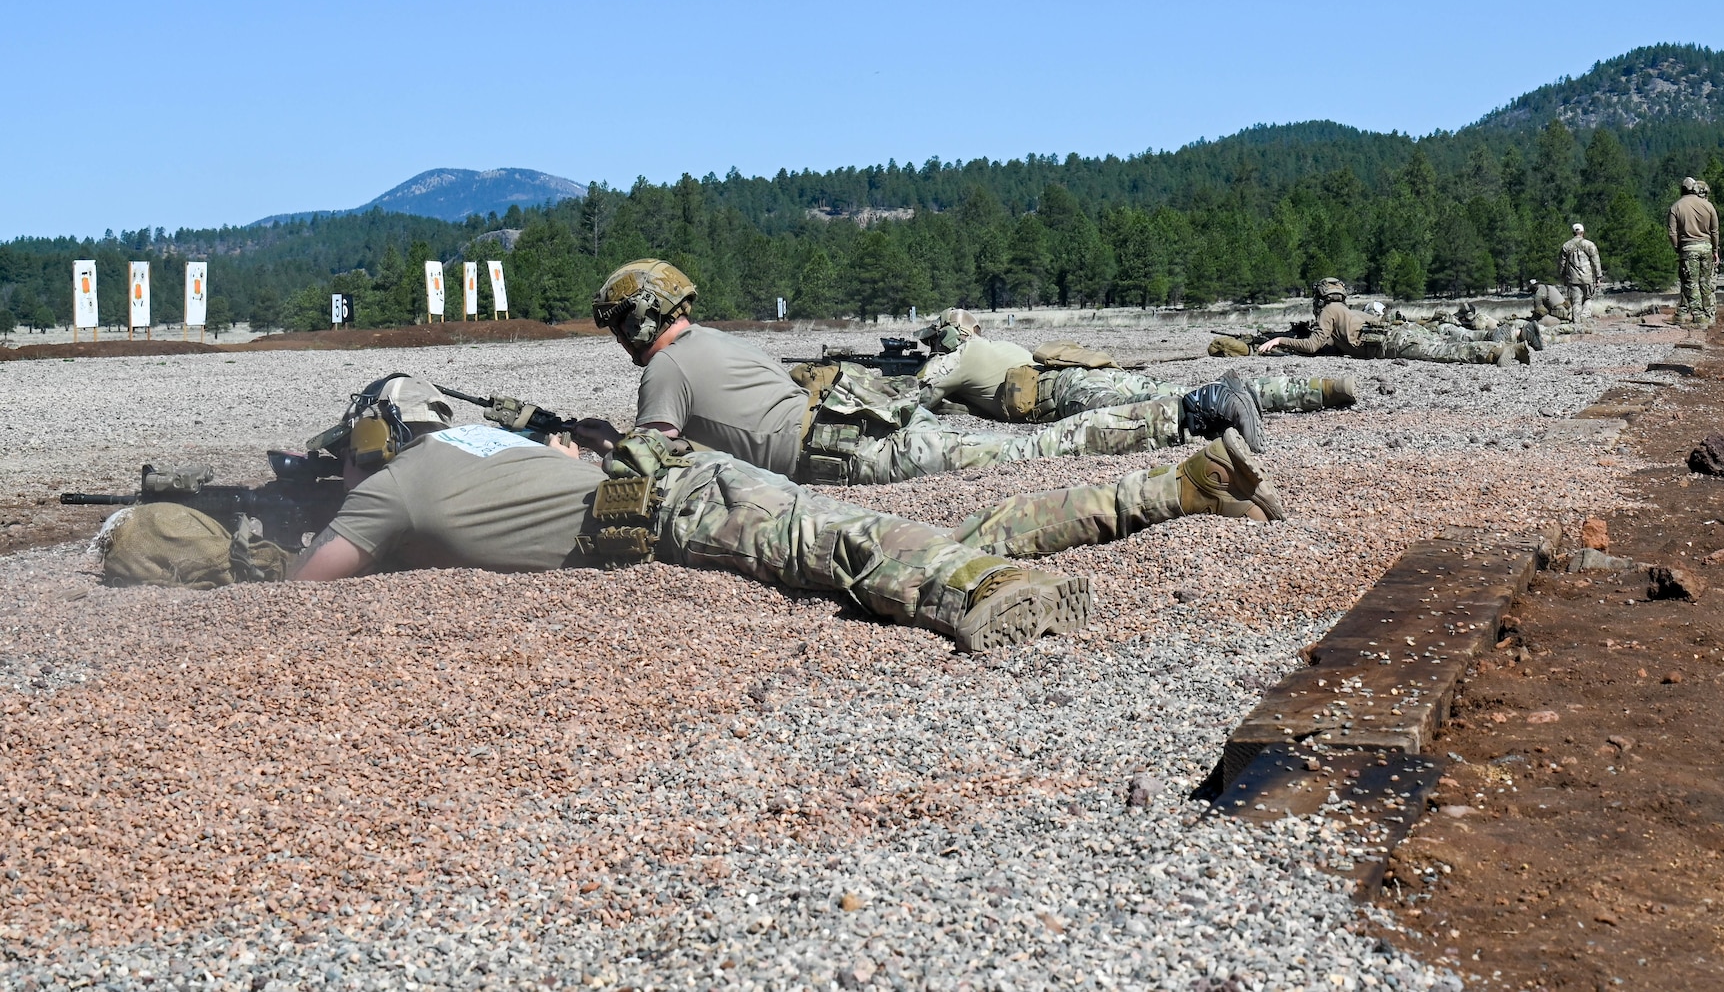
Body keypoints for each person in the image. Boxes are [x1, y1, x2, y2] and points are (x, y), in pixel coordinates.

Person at [281, 376, 1283, 654]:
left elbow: (307, 590)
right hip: (678, 475)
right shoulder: (482, 443)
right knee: (866, 527)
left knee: (838, 545)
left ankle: (982, 591)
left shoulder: (390, 485)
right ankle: (1169, 488)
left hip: (674, 503)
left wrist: (311, 539)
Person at [576, 261, 1236, 486]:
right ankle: (1189, 412)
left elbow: (651, 458)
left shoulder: (664, 367)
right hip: (861, 414)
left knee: (1029, 449)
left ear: (637, 319)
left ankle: (1191, 414)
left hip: (845, 446)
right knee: (1018, 446)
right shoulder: (717, 339)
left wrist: (595, 446)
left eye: (616, 324)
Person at [910, 309, 1356, 447]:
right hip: (1084, 373)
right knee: (1168, 390)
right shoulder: (998, 347)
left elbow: (919, 395)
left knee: (1130, 420)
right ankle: (1319, 391)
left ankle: (1213, 407)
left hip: (1065, 391)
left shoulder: (959, 357)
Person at [1254, 279, 1529, 366]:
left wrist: (1281, 341)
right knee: (1447, 341)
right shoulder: (1347, 311)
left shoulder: (1329, 312)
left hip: (1388, 343)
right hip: (1399, 330)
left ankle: (1493, 353)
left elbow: (1314, 345)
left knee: (1443, 353)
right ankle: (1511, 345)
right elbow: (1331, 343)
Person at [1669, 177, 1721, 328]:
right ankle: (1709, 315)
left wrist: (1677, 247)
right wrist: (1715, 250)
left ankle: (1699, 317)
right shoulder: (1708, 206)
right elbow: (1715, 231)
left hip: (1688, 248)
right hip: (1706, 247)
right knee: (1705, 283)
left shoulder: (1676, 207)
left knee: (1691, 284)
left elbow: (1672, 232)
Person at [1560, 223, 1604, 333]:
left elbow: (1561, 264)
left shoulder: (1566, 246)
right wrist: (1598, 276)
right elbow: (1596, 262)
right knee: (1588, 299)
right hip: (1588, 278)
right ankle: (1585, 320)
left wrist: (1562, 276)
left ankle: (1577, 325)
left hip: (1573, 278)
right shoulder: (1590, 245)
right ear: (1583, 232)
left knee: (1576, 302)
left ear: (1573, 232)